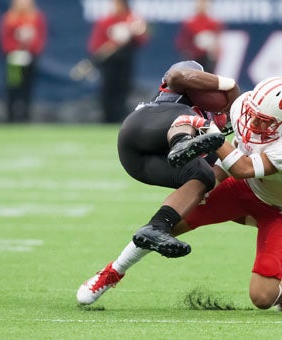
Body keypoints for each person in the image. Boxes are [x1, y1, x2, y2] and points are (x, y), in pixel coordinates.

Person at [77, 77, 282, 313]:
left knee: (262, 297)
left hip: (280, 209)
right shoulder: (245, 107)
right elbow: (236, 158)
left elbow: (244, 169)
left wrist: (211, 133)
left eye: (263, 121)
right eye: (253, 112)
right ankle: (111, 272)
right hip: (242, 188)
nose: (252, 121)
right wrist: (206, 183)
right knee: (166, 224)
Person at [76, 59, 240, 303]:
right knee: (188, 120)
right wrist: (230, 85)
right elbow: (176, 75)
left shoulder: (213, 131)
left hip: (141, 163)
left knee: (202, 176)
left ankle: (156, 228)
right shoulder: (178, 92)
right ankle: (180, 142)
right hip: (142, 129)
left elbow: (218, 175)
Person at [87, 0, 149, 123]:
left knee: (123, 89)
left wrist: (133, 33)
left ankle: (120, 118)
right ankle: (107, 118)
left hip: (125, 61)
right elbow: (96, 45)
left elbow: (142, 39)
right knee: (108, 89)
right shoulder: (106, 21)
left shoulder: (133, 20)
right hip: (109, 62)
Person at [0, 0, 47, 122]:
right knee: (13, 86)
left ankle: (25, 116)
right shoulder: (10, 18)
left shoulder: (36, 17)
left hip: (30, 58)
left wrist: (31, 50)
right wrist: (13, 51)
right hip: (13, 60)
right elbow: (5, 38)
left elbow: (41, 37)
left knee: (28, 87)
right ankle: (11, 117)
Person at [175, 0, 223, 73]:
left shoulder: (213, 23)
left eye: (204, 4)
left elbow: (217, 40)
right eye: (200, 4)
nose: (202, 7)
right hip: (194, 57)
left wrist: (215, 51)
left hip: (208, 57)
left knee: (208, 78)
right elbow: (182, 41)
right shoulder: (189, 23)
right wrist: (188, 51)